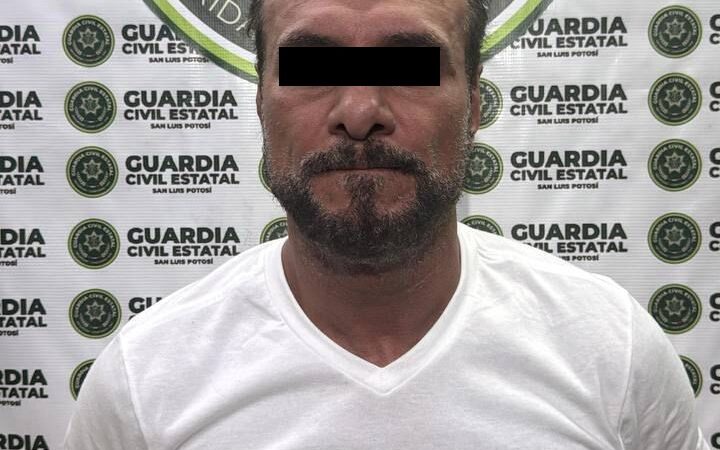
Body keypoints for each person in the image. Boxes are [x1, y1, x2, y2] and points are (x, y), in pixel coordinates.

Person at [65, 0, 711, 448]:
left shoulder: (611, 352)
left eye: (410, 66)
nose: (359, 111)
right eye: (312, 67)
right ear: (261, 102)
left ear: (474, 105)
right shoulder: (146, 380)